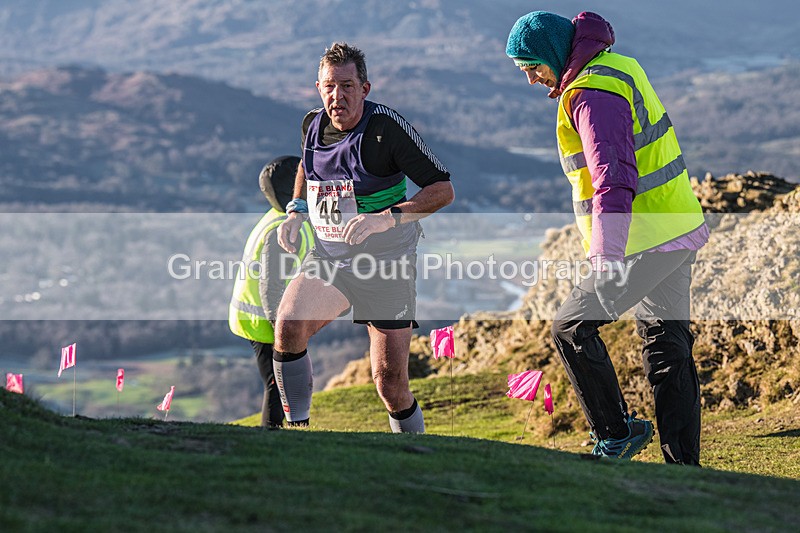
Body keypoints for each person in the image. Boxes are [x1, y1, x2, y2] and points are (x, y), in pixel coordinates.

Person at [506, 11, 708, 464]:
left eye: (533, 67)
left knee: (570, 327)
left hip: (640, 241)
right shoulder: (621, 66)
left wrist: (608, 254)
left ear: (555, 56)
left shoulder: (591, 93)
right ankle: (684, 469)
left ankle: (616, 433)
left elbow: (612, 179)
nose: (533, 80)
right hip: (676, 229)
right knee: (668, 348)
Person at [273, 42, 454, 432]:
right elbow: (307, 165)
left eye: (347, 86)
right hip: (330, 256)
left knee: (390, 385)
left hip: (386, 263)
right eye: (329, 86)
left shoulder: (386, 129)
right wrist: (296, 210)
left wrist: (386, 220)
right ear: (318, 88)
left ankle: (416, 456)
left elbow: (441, 190)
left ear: (365, 88)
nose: (337, 96)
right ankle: (296, 433)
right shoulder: (312, 124)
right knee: (289, 324)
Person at [229, 155, 315, 428]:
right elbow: (271, 286)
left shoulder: (276, 217)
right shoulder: (284, 231)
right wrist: (281, 328)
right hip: (264, 322)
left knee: (278, 384)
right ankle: (272, 436)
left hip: (254, 318)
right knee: (278, 385)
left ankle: (277, 434)